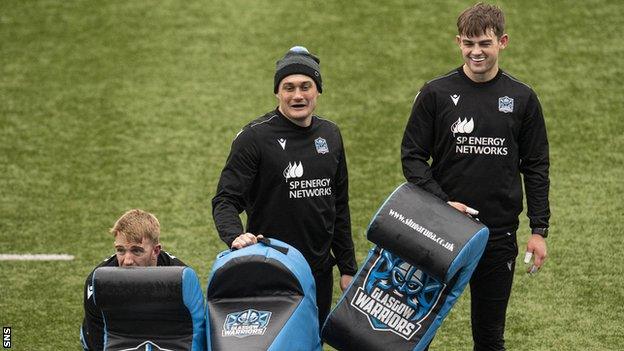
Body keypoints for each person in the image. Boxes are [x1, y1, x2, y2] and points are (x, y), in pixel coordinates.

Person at [401, 3, 550, 350]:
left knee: (489, 337)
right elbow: (412, 157)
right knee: (415, 332)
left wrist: (539, 230)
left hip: (496, 235)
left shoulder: (522, 98)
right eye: (469, 43)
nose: (476, 52)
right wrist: (442, 202)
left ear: (503, 42)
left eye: (484, 43)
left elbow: (536, 166)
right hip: (441, 230)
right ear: (458, 42)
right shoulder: (435, 93)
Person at [212, 46, 357, 328]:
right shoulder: (254, 137)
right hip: (271, 268)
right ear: (277, 92)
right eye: (288, 87)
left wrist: (347, 267)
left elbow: (338, 205)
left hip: (319, 271)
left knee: (313, 342)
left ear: (318, 91)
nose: (298, 95)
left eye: (306, 86)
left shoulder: (330, 134)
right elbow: (225, 200)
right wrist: (235, 236)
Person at [80, 209, 185, 351]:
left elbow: (189, 332)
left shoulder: (179, 277)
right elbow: (97, 339)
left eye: (136, 250)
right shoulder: (97, 282)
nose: (127, 261)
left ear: (155, 251)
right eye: (121, 250)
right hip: (117, 331)